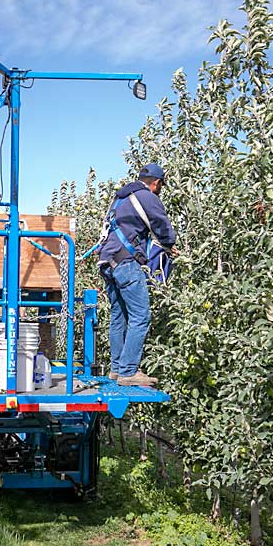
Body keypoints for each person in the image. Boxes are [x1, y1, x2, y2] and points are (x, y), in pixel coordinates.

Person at [98, 163, 177, 386]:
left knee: (119, 315)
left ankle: (116, 368)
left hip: (107, 261)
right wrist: (169, 244)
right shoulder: (147, 197)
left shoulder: (121, 198)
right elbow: (161, 224)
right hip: (125, 262)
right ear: (157, 183)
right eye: (161, 185)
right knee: (141, 317)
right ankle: (128, 371)